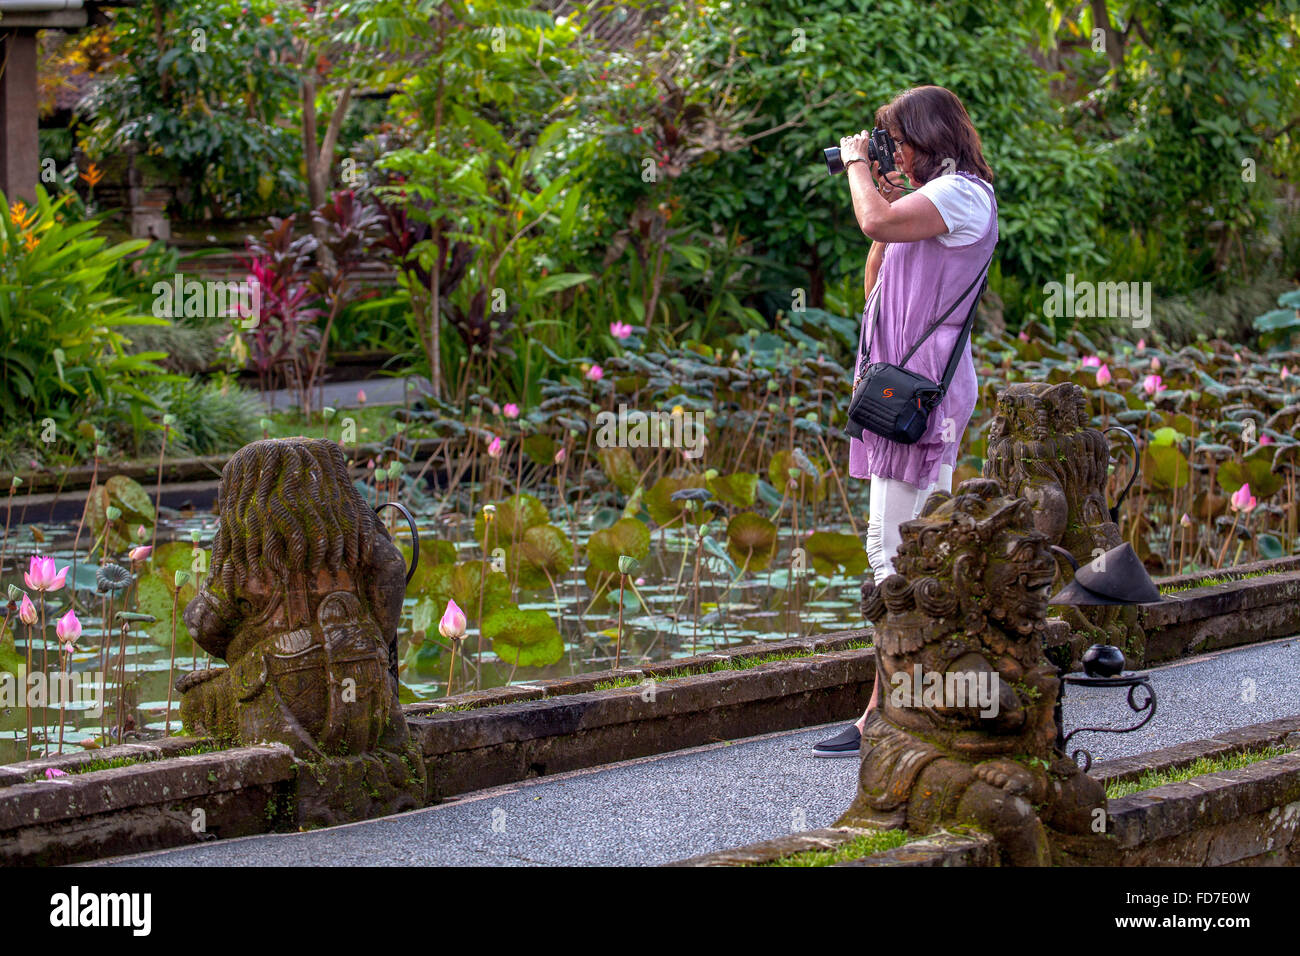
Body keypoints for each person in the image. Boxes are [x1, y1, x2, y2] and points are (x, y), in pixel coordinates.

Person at [813, 85, 998, 757]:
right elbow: (876, 279)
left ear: (928, 137)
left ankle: (894, 712)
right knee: (906, 549)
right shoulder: (936, 199)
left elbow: (870, 225)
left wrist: (860, 169)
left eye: (895, 140)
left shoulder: (962, 196)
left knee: (896, 552)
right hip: (898, 394)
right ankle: (891, 708)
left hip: (921, 399)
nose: (889, 152)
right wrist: (887, 188)